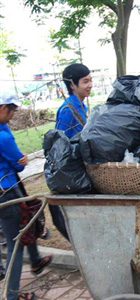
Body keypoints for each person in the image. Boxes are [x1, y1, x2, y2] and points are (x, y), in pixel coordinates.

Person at [0, 92, 52, 300]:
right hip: (6, 192)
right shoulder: (3, 136)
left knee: (28, 219)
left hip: (8, 190)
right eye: (12, 111)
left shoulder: (4, 129)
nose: (13, 115)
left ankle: (36, 259)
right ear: (4, 108)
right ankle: (12, 295)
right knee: (16, 243)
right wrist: (21, 159)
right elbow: (18, 163)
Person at [53, 63, 92, 240]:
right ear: (72, 85)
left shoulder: (81, 107)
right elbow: (59, 145)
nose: (90, 85)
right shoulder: (68, 111)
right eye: (85, 81)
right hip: (71, 171)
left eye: (91, 80)